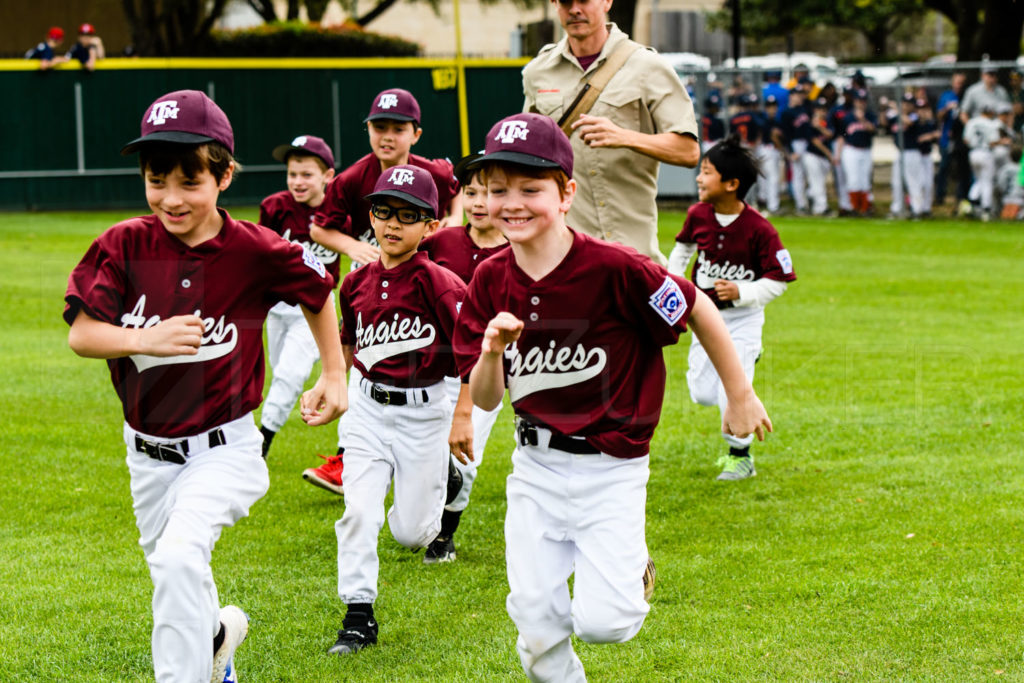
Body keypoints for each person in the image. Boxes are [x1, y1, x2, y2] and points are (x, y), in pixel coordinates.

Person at [454, 112, 772, 683]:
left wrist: (739, 393)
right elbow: (483, 398)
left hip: (612, 467)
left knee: (607, 622)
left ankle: (633, 571)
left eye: (531, 188)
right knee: (534, 618)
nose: (512, 203)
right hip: (535, 467)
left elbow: (696, 305)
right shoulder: (490, 279)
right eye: (497, 189)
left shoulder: (616, 269)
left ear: (567, 192)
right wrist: (492, 352)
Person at [63, 90, 345, 683]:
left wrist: (333, 371)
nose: (170, 198)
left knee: (177, 557)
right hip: (146, 452)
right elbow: (84, 335)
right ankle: (216, 639)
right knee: (177, 572)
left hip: (226, 448)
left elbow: (317, 294)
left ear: (224, 176)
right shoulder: (123, 245)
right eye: (156, 179)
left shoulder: (254, 249)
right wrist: (145, 338)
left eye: (189, 181)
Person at [329, 164, 472, 656]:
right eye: (384, 211)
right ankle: (358, 616)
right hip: (368, 411)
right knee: (358, 512)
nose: (392, 224)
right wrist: (332, 392)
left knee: (411, 534)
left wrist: (462, 415)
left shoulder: (441, 283)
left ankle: (448, 481)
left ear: (431, 226)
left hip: (425, 412)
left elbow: (469, 352)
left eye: (408, 216)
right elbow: (349, 347)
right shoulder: (354, 284)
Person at [304, 87, 461, 494]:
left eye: (397, 128)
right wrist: (354, 246)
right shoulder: (355, 176)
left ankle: (429, 457)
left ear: (416, 133)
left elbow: (457, 195)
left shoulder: (435, 173)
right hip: (374, 270)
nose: (387, 136)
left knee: (422, 357)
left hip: (425, 273)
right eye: (379, 127)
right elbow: (319, 227)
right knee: (366, 358)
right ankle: (353, 455)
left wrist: (451, 225)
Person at [522, 0, 699, 266]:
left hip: (633, 253)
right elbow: (527, 153)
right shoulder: (538, 71)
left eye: (583, 0)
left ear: (607, 2)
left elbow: (688, 151)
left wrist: (625, 137)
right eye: (566, 2)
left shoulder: (647, 65)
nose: (575, 10)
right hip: (564, 257)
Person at [668, 136, 794, 480]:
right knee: (702, 392)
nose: (698, 177)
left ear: (731, 184)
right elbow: (682, 250)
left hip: (743, 320)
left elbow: (779, 280)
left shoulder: (760, 229)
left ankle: (741, 456)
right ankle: (741, 375)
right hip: (705, 318)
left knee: (732, 391)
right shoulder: (698, 215)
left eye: (706, 172)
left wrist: (743, 291)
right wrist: (672, 282)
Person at [417, 155, 509, 563]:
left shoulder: (515, 252)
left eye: (490, 193)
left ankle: (445, 535)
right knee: (424, 453)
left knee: (465, 457)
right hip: (434, 372)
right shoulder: (441, 243)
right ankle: (420, 510)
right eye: (470, 192)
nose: (478, 201)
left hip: (486, 373)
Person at [257, 134, 339, 459]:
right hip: (278, 308)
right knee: (281, 372)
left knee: (289, 375)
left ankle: (260, 443)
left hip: (315, 309)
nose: (298, 181)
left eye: (307, 174)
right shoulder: (274, 207)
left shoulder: (339, 211)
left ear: (327, 177)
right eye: (293, 174)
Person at [964, 103, 1006, 220]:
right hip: (985, 152)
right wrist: (1003, 142)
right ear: (990, 112)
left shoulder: (972, 122)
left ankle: (972, 201)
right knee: (987, 181)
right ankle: (986, 209)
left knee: (979, 180)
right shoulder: (991, 124)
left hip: (973, 152)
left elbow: (966, 140)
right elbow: (993, 142)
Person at [839, 90, 877, 216]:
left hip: (865, 150)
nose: (861, 103)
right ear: (855, 102)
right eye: (859, 101)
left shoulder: (870, 116)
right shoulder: (848, 117)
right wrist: (838, 154)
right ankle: (854, 208)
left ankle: (865, 208)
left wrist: (863, 120)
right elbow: (841, 136)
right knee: (853, 180)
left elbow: (873, 129)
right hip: (851, 150)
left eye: (863, 101)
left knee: (865, 180)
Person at [935, 72, 966, 206]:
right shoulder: (946, 96)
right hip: (947, 138)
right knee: (944, 167)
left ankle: (961, 197)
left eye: (961, 83)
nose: (959, 85)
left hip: (961, 139)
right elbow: (939, 115)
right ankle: (940, 196)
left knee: (962, 168)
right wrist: (948, 108)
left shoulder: (966, 96)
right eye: (957, 82)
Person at [780, 84, 810, 214]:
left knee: (809, 175)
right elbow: (785, 135)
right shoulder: (786, 112)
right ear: (791, 96)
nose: (800, 97)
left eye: (801, 94)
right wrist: (790, 152)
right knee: (797, 175)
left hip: (808, 144)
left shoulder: (805, 109)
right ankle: (801, 204)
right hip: (795, 143)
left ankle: (807, 201)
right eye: (797, 95)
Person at [804, 98, 835, 216]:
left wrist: (819, 127)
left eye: (824, 109)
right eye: (819, 109)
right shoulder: (808, 123)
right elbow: (815, 141)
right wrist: (828, 153)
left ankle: (810, 196)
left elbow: (830, 134)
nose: (822, 112)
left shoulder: (827, 122)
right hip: (812, 155)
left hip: (823, 158)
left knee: (818, 183)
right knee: (817, 182)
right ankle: (821, 208)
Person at [756, 94, 785, 215]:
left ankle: (764, 200)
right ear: (766, 108)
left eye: (774, 106)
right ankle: (773, 206)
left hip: (771, 150)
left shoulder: (776, 121)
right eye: (770, 106)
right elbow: (773, 137)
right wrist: (784, 151)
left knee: (765, 178)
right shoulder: (764, 121)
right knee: (771, 178)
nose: (772, 109)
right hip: (766, 149)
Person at [915, 99, 940, 216]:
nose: (922, 112)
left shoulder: (930, 123)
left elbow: (938, 134)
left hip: (927, 155)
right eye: (920, 109)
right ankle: (917, 207)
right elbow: (917, 139)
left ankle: (926, 208)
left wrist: (928, 136)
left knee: (929, 183)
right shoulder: (914, 123)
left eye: (924, 109)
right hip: (917, 156)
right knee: (920, 183)